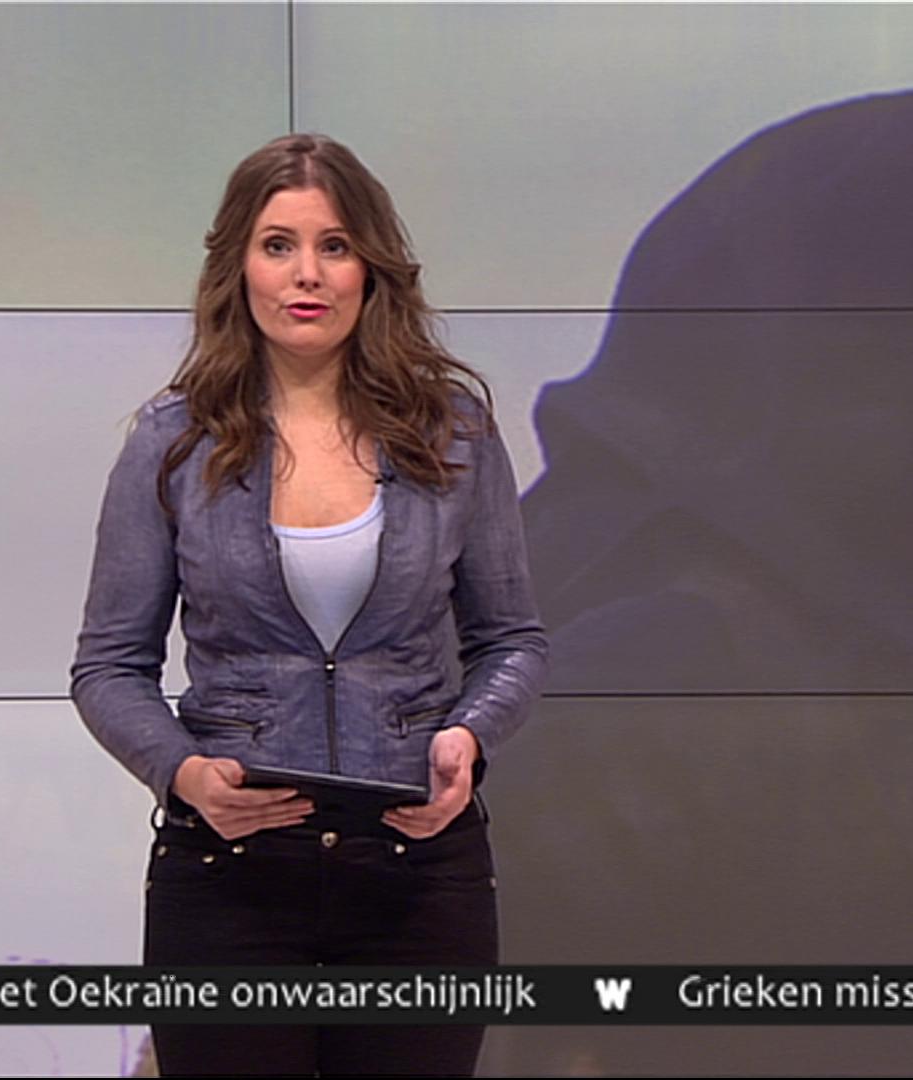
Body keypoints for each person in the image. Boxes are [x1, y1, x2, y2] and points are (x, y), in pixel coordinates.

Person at [69, 132, 548, 1077]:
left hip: (419, 872)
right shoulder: (172, 442)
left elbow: (512, 641)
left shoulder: (452, 432)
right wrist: (182, 772)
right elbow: (108, 668)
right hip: (229, 878)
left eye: (335, 246)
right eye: (278, 245)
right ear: (238, 266)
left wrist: (471, 735)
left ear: (372, 268)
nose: (308, 274)